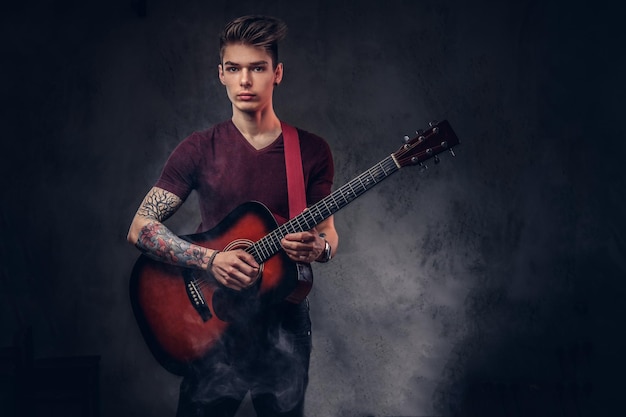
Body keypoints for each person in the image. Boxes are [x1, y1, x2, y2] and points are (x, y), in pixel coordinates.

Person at [127, 15, 338, 417]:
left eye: (257, 68)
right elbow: (140, 227)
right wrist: (209, 259)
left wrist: (321, 247)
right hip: (213, 317)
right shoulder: (198, 148)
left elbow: (328, 234)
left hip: (283, 319)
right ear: (220, 74)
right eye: (234, 68)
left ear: (277, 74)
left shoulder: (309, 151)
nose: (245, 80)